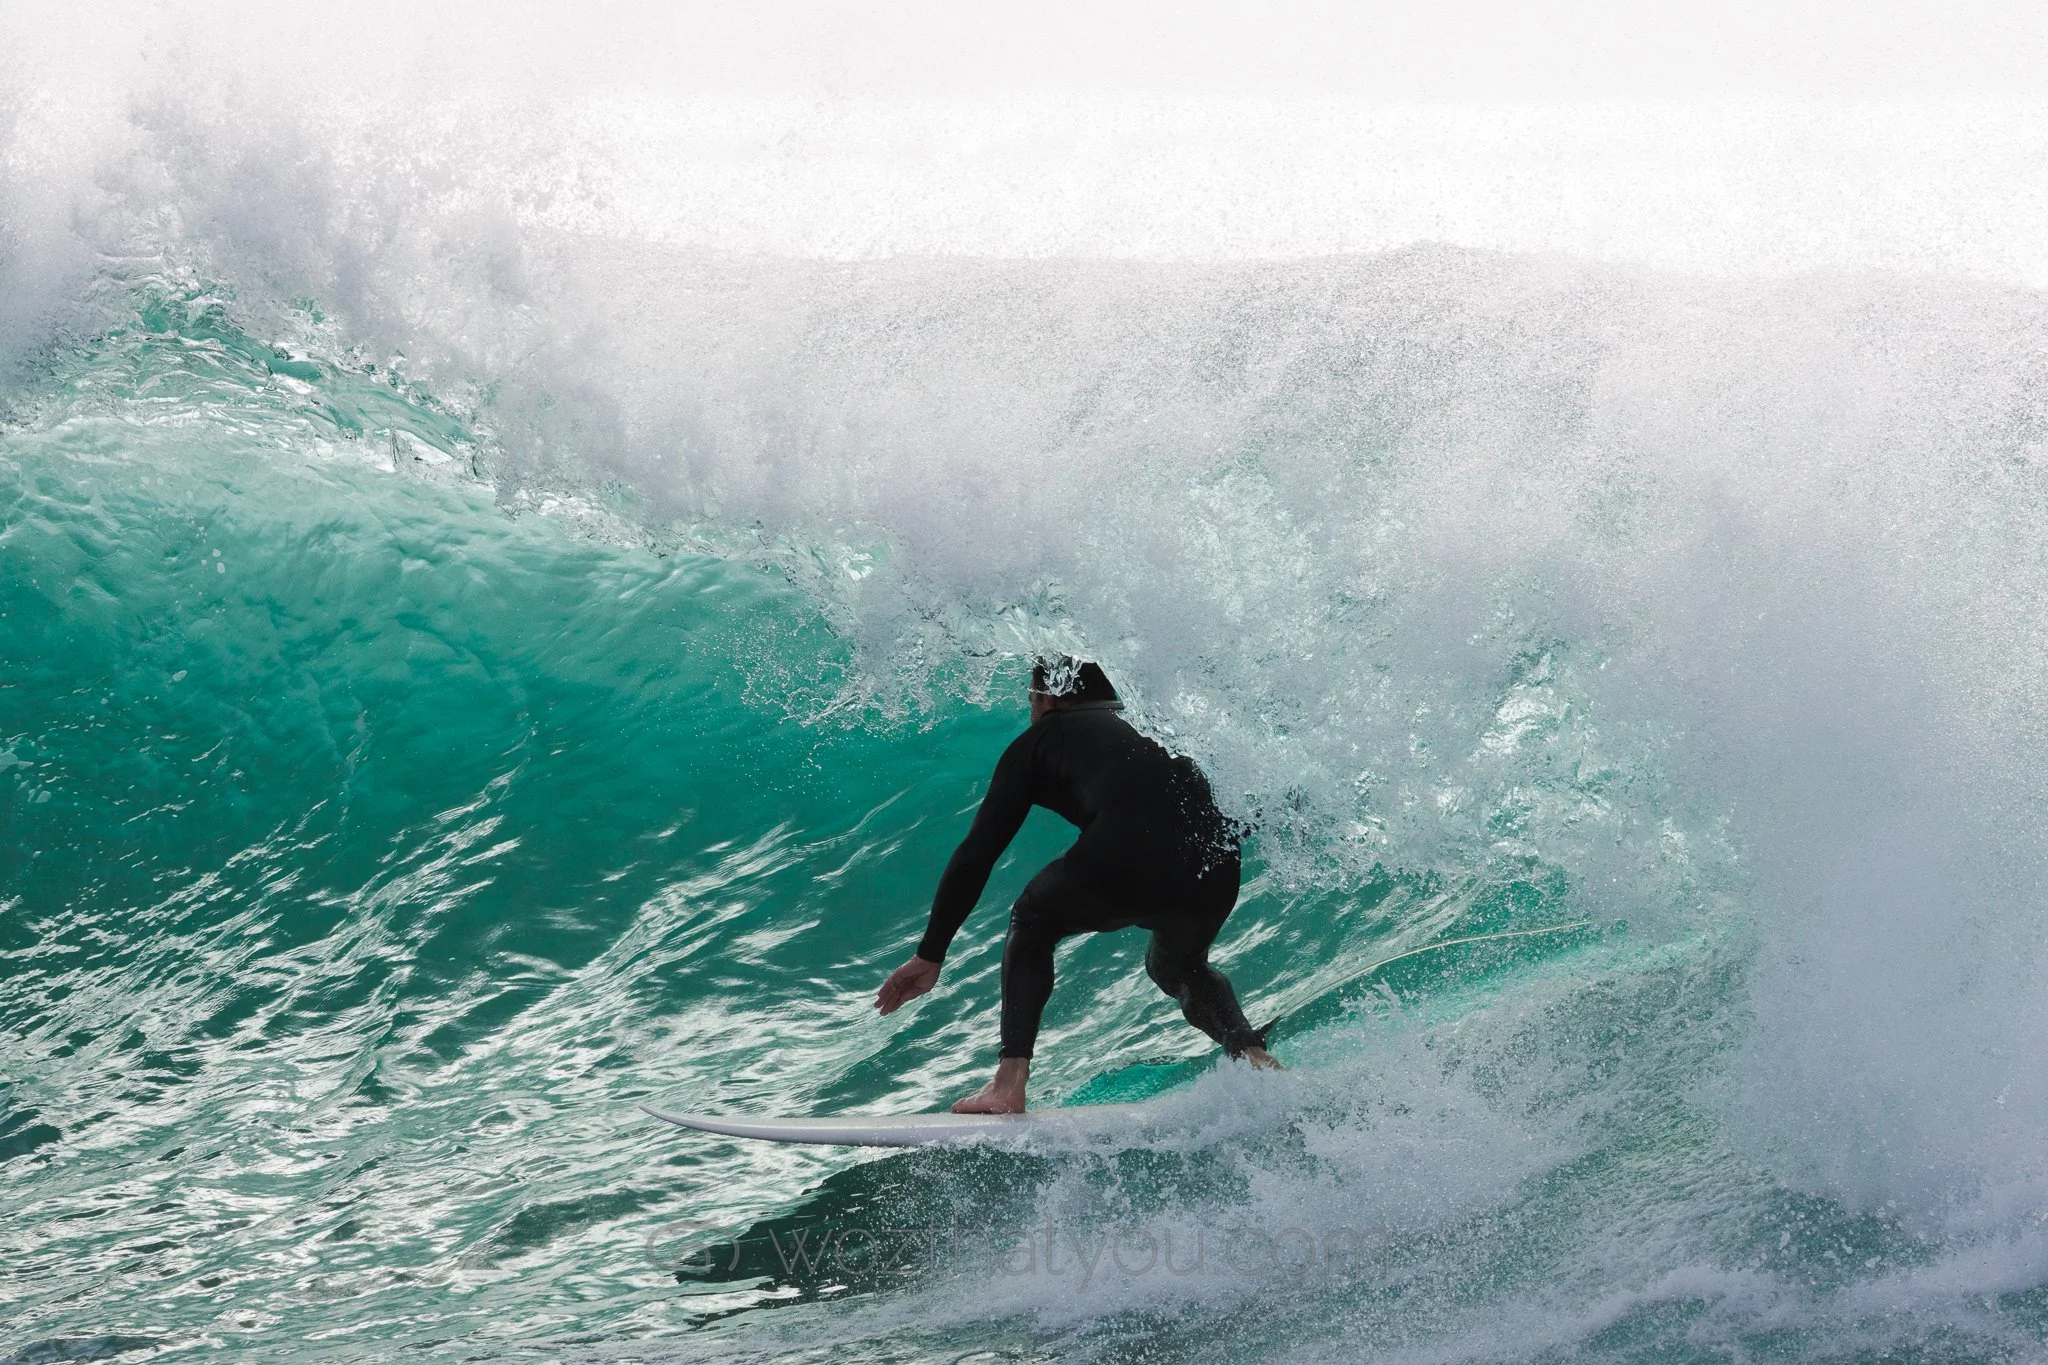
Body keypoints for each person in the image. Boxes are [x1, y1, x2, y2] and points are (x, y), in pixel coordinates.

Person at [875, 657, 1277, 1113]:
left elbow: (977, 853)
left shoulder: (1040, 739)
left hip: (1126, 854)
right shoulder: (1158, 727)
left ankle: (1008, 1084)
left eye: (1030, 701)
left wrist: (931, 953)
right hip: (1216, 863)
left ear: (1048, 698)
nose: (1031, 711)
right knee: (1180, 967)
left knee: (1033, 917)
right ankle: (1252, 1055)